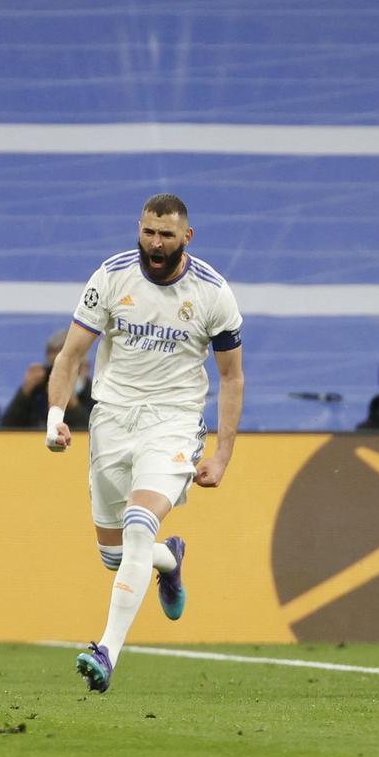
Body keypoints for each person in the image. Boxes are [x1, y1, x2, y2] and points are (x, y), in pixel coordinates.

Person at [45, 193, 245, 693]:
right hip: (112, 419)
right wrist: (55, 416)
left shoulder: (213, 293)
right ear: (139, 229)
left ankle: (106, 651)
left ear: (187, 238)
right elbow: (70, 356)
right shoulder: (112, 277)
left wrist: (222, 453)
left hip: (173, 423)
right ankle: (170, 559)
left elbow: (232, 378)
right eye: (149, 232)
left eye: (167, 235)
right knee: (113, 556)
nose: (156, 244)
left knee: (139, 523)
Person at [0, 328, 95, 429]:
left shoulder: (96, 395)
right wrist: (24, 393)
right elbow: (5, 430)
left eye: (66, 368)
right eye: (54, 367)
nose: (60, 374)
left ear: (85, 367)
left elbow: (93, 435)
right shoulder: (37, 391)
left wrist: (71, 404)